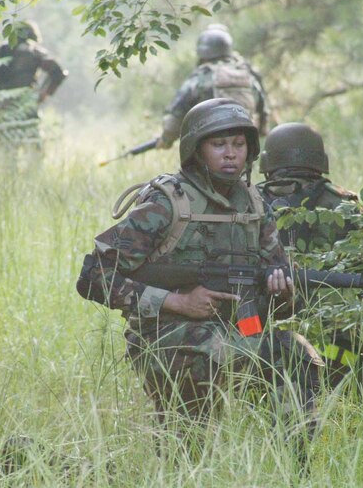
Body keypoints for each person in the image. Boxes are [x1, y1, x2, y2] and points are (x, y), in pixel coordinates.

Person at [77, 99, 322, 442]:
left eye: (238, 144)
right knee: (209, 352)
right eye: (218, 144)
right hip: (164, 336)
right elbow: (94, 277)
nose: (230, 154)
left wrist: (281, 291)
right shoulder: (168, 204)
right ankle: (183, 446)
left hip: (238, 331)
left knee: (296, 353)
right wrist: (178, 302)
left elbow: (279, 298)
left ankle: (291, 458)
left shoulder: (255, 206)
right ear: (196, 150)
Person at [256, 122, 363, 397]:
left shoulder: (250, 202)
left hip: (264, 340)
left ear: (267, 163)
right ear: (320, 161)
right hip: (337, 343)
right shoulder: (343, 205)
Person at [155, 24, 270, 150]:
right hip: (243, 149)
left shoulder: (201, 77)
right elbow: (263, 115)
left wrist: (166, 140)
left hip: (211, 150)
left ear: (202, 53)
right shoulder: (248, 76)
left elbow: (174, 118)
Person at [0, 20, 67, 153]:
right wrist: (43, 94)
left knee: (5, 148)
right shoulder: (33, 51)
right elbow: (58, 73)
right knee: (33, 147)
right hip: (26, 105)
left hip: (4, 106)